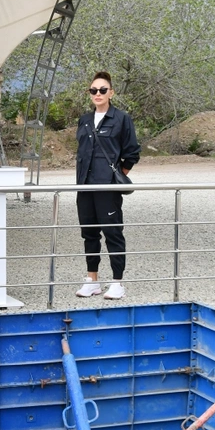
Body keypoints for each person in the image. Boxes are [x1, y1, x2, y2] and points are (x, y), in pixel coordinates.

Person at [74, 71, 140, 300]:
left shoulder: (122, 119)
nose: (98, 94)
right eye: (93, 90)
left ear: (111, 92)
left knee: (113, 232)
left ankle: (117, 282)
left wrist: (117, 176)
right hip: (84, 187)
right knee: (89, 234)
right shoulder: (83, 120)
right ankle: (92, 279)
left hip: (107, 188)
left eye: (103, 90)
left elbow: (132, 153)